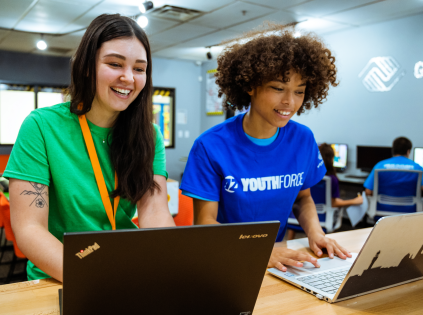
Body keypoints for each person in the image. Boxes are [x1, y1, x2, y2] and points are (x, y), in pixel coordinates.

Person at [3, 14, 175, 282]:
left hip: (127, 271)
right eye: (115, 64)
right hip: (62, 274)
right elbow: (29, 229)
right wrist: (89, 279)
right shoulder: (42, 126)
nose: (128, 78)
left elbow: (155, 213)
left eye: (139, 69)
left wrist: (172, 265)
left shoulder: (149, 135)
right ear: (86, 67)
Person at [180, 23, 352, 272]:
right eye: (278, 88)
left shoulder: (303, 139)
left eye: (299, 91)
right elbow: (205, 223)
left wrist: (317, 233)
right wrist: (257, 251)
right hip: (225, 258)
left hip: (277, 258)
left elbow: (303, 199)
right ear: (250, 86)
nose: (289, 102)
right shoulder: (210, 146)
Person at [364, 137, 423, 211]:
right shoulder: (417, 167)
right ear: (408, 151)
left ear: (393, 150)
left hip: (382, 212)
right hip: (409, 213)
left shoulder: (380, 165)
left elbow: (368, 191)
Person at [319, 143, 363, 208]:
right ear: (331, 159)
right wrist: (354, 201)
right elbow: (333, 204)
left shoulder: (310, 176)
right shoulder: (332, 179)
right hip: (324, 214)